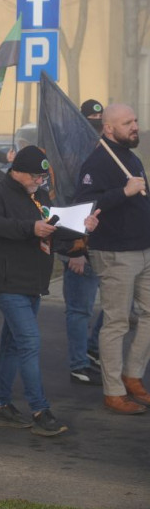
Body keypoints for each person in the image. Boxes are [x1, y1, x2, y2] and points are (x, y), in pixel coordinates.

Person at [0, 145, 99, 433]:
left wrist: (83, 228)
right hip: (8, 281)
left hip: (34, 282)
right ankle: (39, 409)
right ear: (17, 171)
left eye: (43, 176)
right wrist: (29, 228)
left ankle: (0, 405)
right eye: (35, 176)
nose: (40, 181)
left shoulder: (39, 196)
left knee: (12, 345)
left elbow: (53, 232)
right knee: (30, 343)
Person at [75, 103, 150, 414]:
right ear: (108, 128)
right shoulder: (96, 162)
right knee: (116, 322)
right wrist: (124, 192)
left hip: (144, 248)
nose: (135, 126)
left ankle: (132, 376)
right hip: (115, 252)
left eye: (134, 120)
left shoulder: (130, 156)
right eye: (127, 122)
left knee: (148, 316)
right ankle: (113, 391)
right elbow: (84, 205)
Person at [58, 99, 105, 386]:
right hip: (79, 249)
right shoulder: (71, 160)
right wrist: (76, 249)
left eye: (99, 126)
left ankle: (92, 348)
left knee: (119, 306)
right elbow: (67, 207)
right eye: (91, 125)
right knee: (79, 309)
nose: (96, 132)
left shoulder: (104, 158)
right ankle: (78, 364)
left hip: (105, 246)